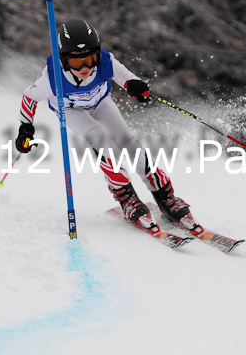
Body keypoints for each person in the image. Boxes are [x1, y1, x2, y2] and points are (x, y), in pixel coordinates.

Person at [14, 18, 196, 231]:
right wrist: (25, 128)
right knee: (98, 134)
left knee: (128, 141)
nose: (85, 67)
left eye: (90, 59)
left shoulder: (105, 62)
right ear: (64, 61)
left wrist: (136, 86)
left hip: (100, 102)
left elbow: (125, 76)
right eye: (76, 62)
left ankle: (166, 196)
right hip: (71, 110)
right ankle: (126, 197)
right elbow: (29, 97)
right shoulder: (51, 79)